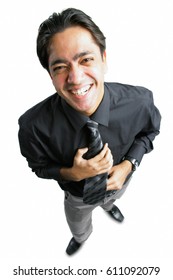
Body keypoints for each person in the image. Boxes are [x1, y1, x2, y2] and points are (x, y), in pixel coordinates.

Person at [18, 8, 161, 255]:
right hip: (77, 197)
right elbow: (39, 167)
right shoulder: (33, 126)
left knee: (113, 199)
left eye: (86, 60)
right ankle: (81, 236)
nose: (75, 78)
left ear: (104, 59)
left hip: (120, 183)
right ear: (50, 74)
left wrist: (129, 165)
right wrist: (73, 173)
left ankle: (110, 207)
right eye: (61, 66)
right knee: (78, 223)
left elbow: (149, 132)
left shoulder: (140, 101)